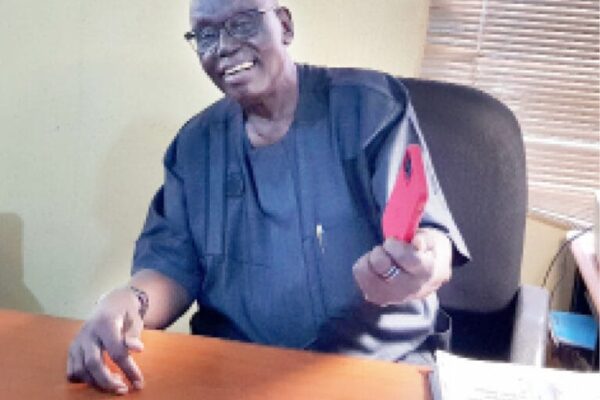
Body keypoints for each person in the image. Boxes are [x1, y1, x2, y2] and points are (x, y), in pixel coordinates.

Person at [67, 0, 470, 395]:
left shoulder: (368, 106)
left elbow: (430, 239)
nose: (224, 46)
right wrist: (129, 301)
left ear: (285, 26)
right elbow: (171, 264)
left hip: (375, 368)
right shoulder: (194, 146)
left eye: (242, 23)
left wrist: (420, 266)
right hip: (235, 373)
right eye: (205, 35)